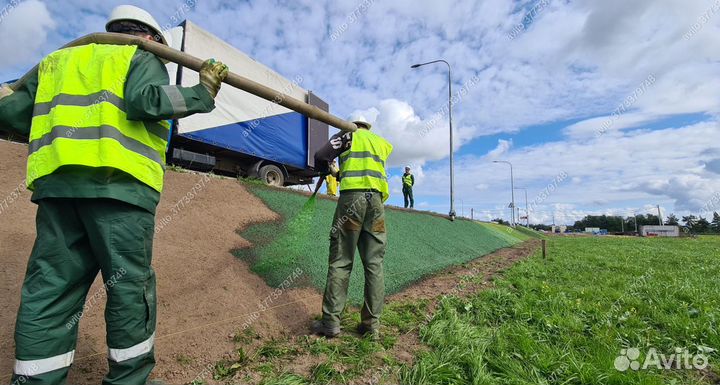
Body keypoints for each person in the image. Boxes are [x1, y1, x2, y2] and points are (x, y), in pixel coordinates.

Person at [0, 5, 228, 384]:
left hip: (58, 192)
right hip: (119, 190)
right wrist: (203, 92)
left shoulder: (57, 62)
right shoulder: (139, 54)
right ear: (150, 37)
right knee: (128, 290)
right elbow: (146, 101)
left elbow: (10, 114)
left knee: (51, 289)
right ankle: (129, 379)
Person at [312, 121, 393, 338]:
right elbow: (366, 170)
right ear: (368, 127)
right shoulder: (381, 143)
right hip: (375, 204)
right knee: (374, 265)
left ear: (353, 125)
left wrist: (329, 168)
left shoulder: (348, 135)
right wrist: (339, 174)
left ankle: (330, 323)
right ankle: (371, 327)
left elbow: (321, 156)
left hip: (352, 202)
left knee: (341, 261)